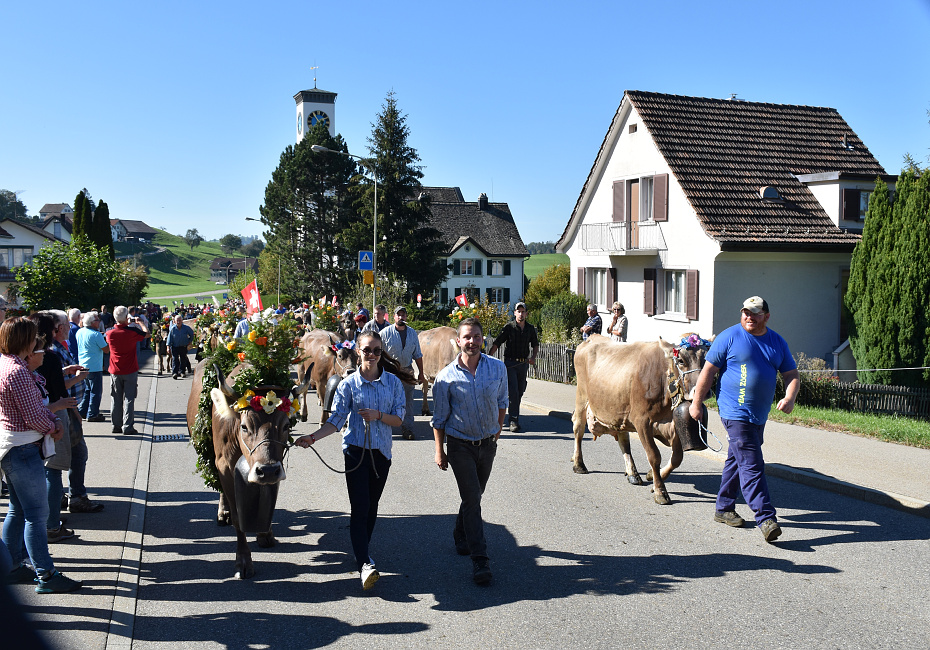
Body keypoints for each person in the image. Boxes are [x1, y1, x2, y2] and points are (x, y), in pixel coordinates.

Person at [294, 331, 415, 590]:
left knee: (372, 507)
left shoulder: (393, 384)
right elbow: (336, 420)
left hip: (381, 453)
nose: (371, 355)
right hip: (355, 452)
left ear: (382, 353)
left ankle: (362, 553)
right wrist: (312, 437)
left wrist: (378, 415)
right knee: (360, 507)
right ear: (357, 352)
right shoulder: (347, 385)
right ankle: (365, 563)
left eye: (377, 350)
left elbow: (400, 419)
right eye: (367, 350)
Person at [689, 296, 800, 543]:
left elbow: (791, 374)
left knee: (737, 460)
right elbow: (708, 371)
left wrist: (790, 397)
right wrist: (697, 402)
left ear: (766, 316)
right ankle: (765, 517)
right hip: (733, 411)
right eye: (746, 313)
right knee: (752, 463)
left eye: (755, 313)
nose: (749, 317)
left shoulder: (777, 342)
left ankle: (724, 507)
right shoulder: (729, 337)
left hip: (758, 414)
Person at [0, 318, 83, 593]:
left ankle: (12, 567)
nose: (39, 343)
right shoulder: (18, 372)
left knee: (18, 510)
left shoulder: (7, 364)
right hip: (23, 449)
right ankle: (46, 575)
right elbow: (33, 414)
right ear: (25, 340)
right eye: (34, 338)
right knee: (36, 515)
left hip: (14, 448)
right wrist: (55, 425)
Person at [431, 317, 508, 585]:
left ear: (482, 339)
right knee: (473, 499)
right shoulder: (445, 378)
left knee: (475, 494)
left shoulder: (498, 369)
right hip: (460, 444)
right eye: (467, 337)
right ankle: (480, 560)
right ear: (458, 341)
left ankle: (460, 531)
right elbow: (438, 419)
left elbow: (502, 401)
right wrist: (440, 451)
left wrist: (496, 431)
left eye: (476, 336)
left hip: (487, 444)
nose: (472, 342)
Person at [488, 302, 539, 433]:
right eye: (519, 311)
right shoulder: (509, 327)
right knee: (514, 391)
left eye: (523, 312)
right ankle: (513, 420)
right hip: (510, 364)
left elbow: (535, 345)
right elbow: (497, 342)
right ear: (515, 313)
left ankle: (512, 414)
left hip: (523, 364)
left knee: (520, 390)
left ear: (526, 314)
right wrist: (487, 357)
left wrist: (533, 357)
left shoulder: (530, 328)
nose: (521, 314)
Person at [380, 306, 425, 440]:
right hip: (389, 372)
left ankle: (408, 429)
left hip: (407, 371)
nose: (401, 317)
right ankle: (383, 429)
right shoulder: (385, 333)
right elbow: (378, 354)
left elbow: (417, 354)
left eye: (403, 315)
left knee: (408, 402)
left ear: (406, 317)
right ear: (394, 317)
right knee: (386, 401)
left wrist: (421, 373)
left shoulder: (412, 334)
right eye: (398, 315)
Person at [105, 307, 148, 435]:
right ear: (126, 317)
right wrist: (140, 323)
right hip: (130, 369)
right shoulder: (132, 332)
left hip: (115, 369)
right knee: (129, 399)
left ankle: (116, 424)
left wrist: (124, 323)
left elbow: (110, 335)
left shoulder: (109, 333)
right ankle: (127, 426)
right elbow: (147, 334)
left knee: (116, 398)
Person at [76, 311, 109, 422]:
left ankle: (82, 411)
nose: (99, 322)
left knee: (87, 390)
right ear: (91, 322)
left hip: (83, 364)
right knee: (95, 391)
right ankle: (93, 414)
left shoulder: (80, 332)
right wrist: (106, 339)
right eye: (97, 320)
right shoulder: (96, 334)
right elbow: (106, 350)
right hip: (94, 366)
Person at [167, 315, 194, 379]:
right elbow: (169, 338)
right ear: (175, 321)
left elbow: (192, 334)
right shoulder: (173, 329)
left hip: (183, 346)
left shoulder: (186, 328)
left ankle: (182, 372)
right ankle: (175, 373)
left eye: (179, 320)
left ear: (182, 321)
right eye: (177, 321)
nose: (178, 322)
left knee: (183, 359)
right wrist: (168, 347)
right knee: (175, 359)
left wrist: (190, 341)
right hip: (175, 346)